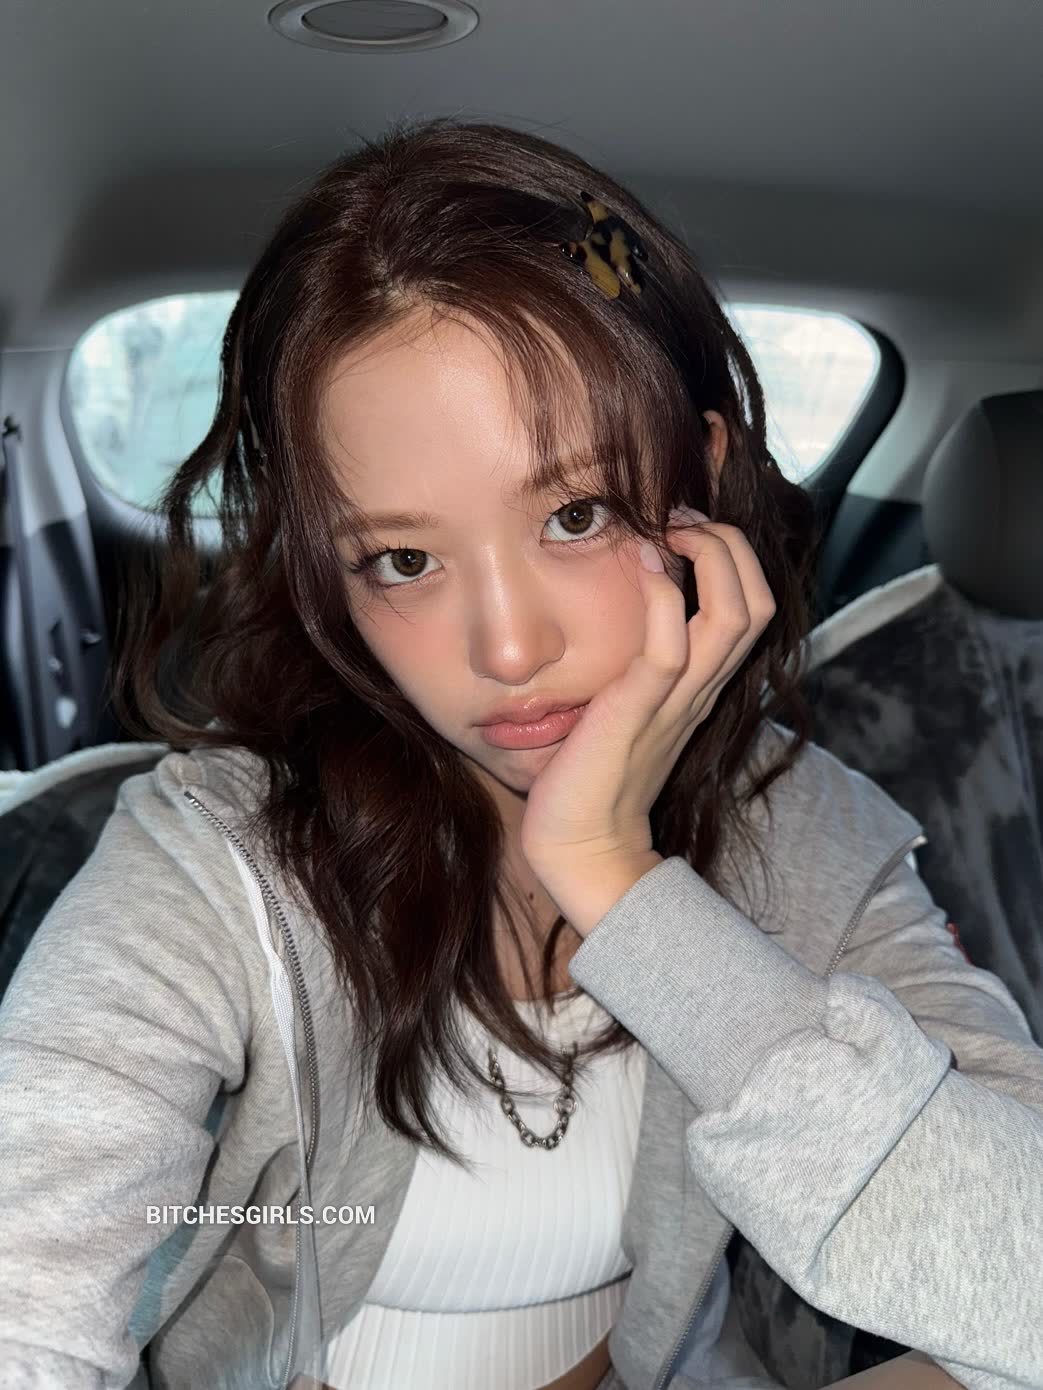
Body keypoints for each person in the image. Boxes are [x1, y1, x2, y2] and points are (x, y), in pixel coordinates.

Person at [0, 117, 1040, 1390]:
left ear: (702, 477)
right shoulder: (221, 859)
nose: (504, 648)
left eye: (575, 513)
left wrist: (617, 880)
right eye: (403, 559)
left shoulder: (812, 833)